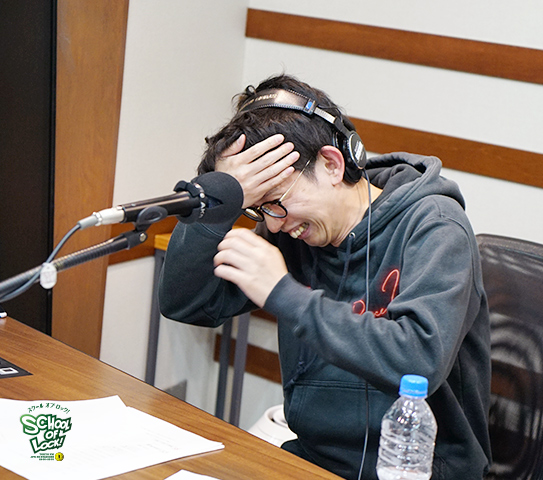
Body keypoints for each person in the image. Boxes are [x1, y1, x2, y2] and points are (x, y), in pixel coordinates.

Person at [158, 74, 492, 480]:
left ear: (332, 164)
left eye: (276, 201)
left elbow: (417, 362)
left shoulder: (436, 226)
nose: (273, 225)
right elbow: (185, 303)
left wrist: (283, 293)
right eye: (259, 209)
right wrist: (217, 201)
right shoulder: (292, 228)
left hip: (415, 470)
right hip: (311, 459)